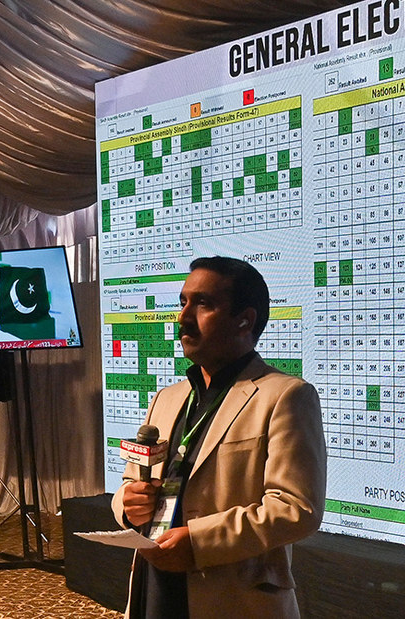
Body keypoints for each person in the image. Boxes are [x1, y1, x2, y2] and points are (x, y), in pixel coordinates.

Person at [111, 256, 326, 619]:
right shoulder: (167, 398)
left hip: (231, 596)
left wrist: (199, 541)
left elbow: (296, 509)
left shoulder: (286, 396)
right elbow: (131, 483)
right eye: (183, 302)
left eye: (203, 304)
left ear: (245, 320)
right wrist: (128, 505)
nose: (183, 317)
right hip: (154, 582)